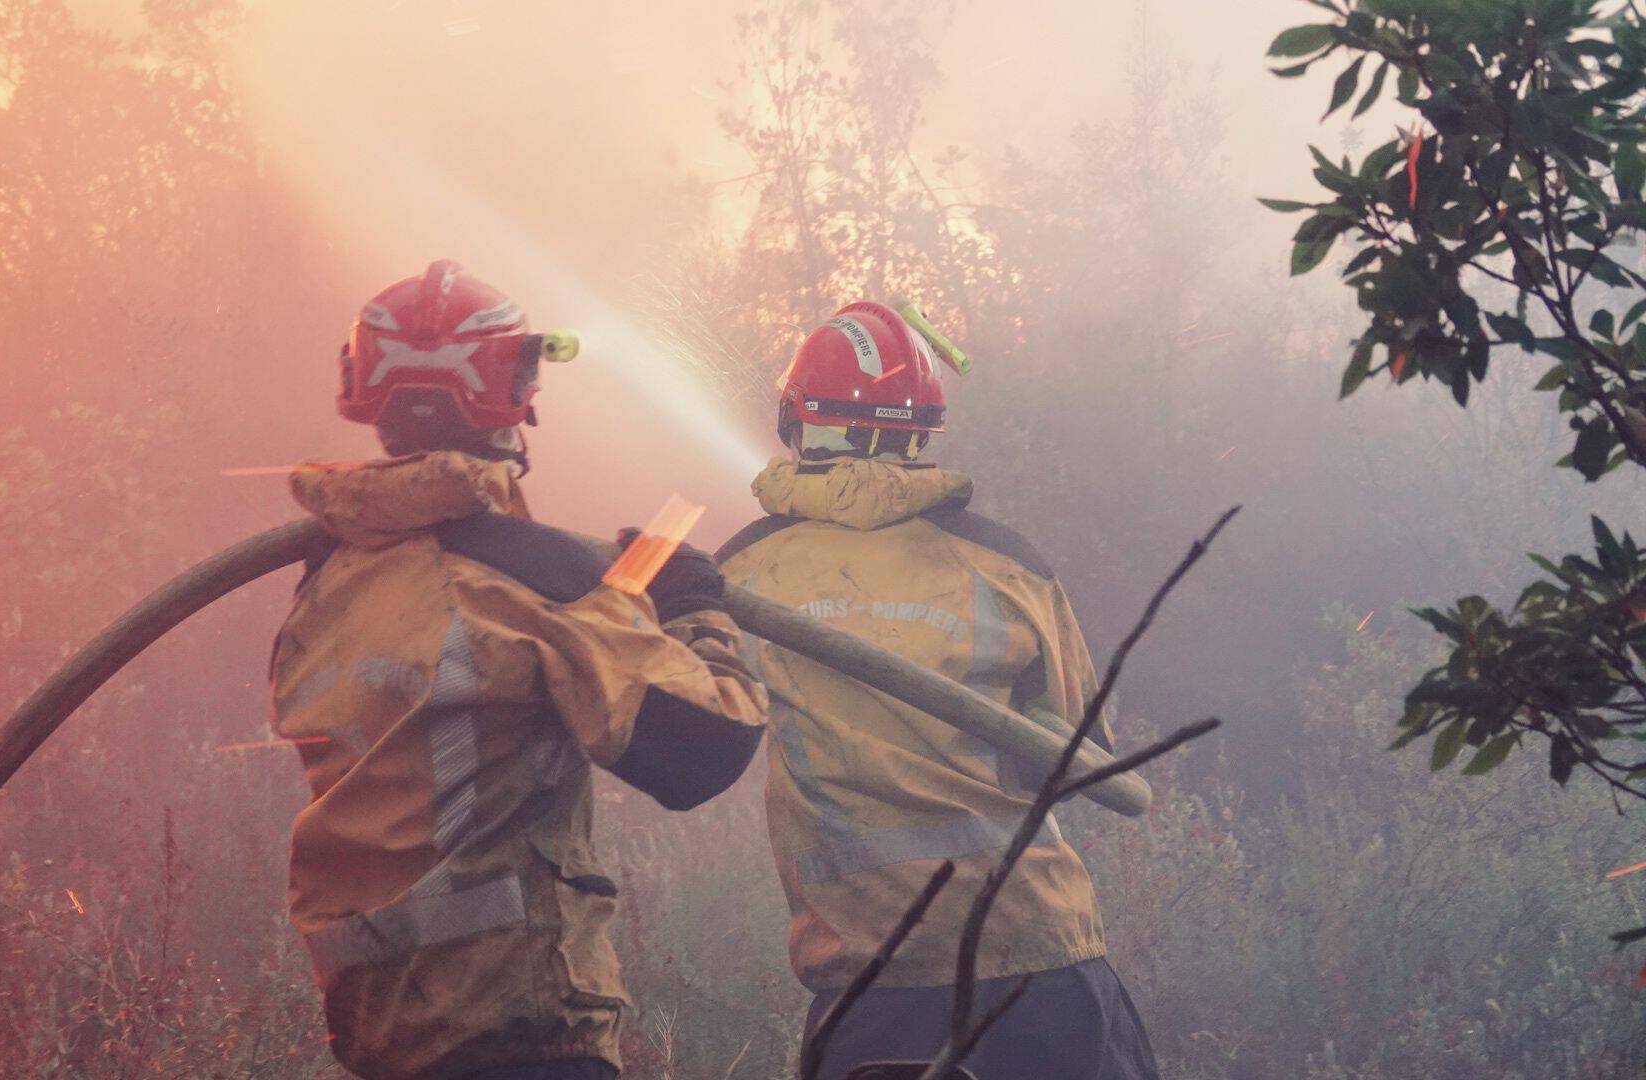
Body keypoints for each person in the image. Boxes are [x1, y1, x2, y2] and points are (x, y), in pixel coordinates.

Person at [269, 260, 767, 1080]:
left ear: (367, 391)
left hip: (384, 1036)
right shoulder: (533, 576)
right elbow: (703, 754)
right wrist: (694, 615)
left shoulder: (327, 575)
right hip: (521, 1033)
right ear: (512, 393)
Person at [716, 300, 1159, 1080]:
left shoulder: (740, 574)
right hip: (1043, 956)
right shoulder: (1006, 563)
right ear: (922, 430)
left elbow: (692, 741)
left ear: (800, 421)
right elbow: (1072, 758)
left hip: (879, 977)